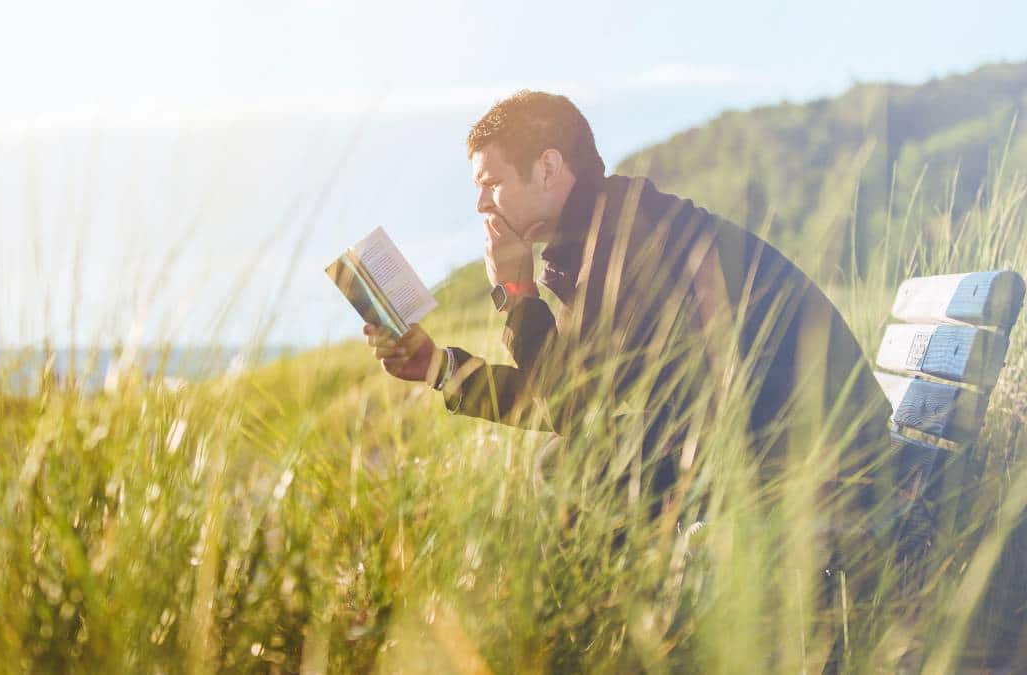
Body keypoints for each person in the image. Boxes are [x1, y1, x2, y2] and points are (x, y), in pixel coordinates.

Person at [363, 90, 894, 558]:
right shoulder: (603, 231)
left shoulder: (627, 239)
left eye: (492, 182)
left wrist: (518, 295)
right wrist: (435, 366)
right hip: (784, 443)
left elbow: (571, 405)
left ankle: (638, 642)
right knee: (576, 459)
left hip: (823, 463)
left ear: (548, 168)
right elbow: (570, 395)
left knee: (571, 465)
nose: (480, 203)